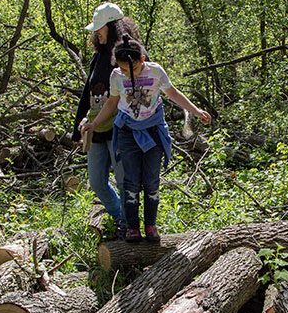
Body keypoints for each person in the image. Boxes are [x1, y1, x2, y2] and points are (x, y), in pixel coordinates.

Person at [81, 34, 211, 243]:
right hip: (127, 132)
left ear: (142, 60)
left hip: (152, 130)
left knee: (151, 181)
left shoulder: (155, 71)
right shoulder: (116, 76)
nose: (127, 73)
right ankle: (132, 227)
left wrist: (195, 111)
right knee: (129, 181)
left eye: (131, 69)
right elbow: (112, 102)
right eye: (123, 69)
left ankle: (151, 224)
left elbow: (173, 93)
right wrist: (94, 124)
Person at [70, 2, 141, 239]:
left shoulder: (126, 56)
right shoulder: (97, 57)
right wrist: (76, 128)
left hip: (120, 131)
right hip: (95, 131)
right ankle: (120, 216)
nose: (96, 33)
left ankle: (129, 225)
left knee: (123, 181)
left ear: (114, 27)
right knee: (97, 181)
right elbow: (86, 94)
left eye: (100, 28)